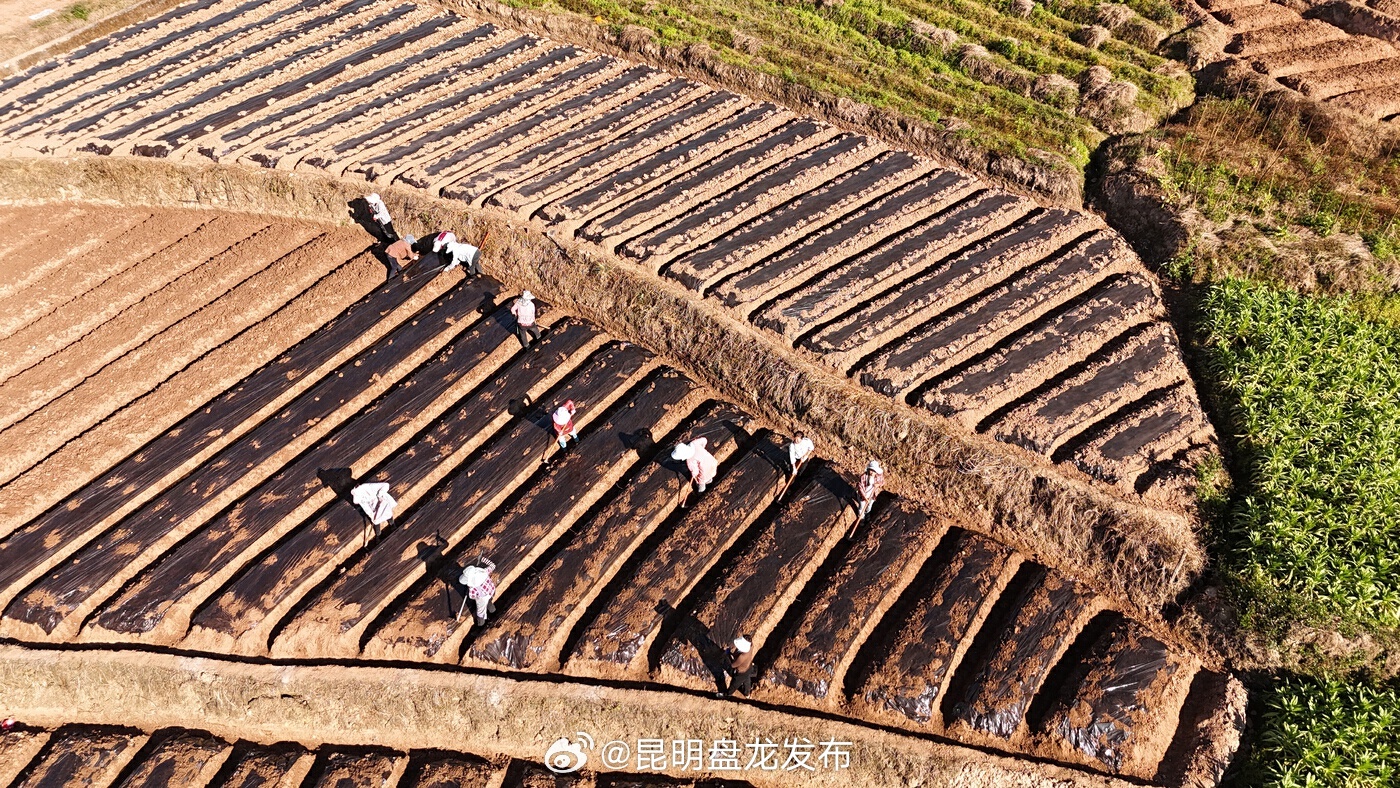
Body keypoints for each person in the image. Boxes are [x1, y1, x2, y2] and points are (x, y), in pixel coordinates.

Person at [671, 437, 718, 508]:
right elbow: (704, 440)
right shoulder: (694, 443)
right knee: (709, 476)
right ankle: (710, 482)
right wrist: (702, 448)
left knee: (701, 486)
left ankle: (701, 495)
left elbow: (696, 471)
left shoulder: (690, 461)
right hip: (712, 463)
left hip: (704, 473)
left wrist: (694, 475)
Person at [458, 558, 497, 626]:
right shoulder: (484, 572)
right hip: (491, 591)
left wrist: (468, 590)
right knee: (488, 602)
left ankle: (481, 624)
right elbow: (492, 565)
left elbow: (472, 596)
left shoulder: (474, 587)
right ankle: (493, 612)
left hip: (482, 598)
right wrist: (483, 559)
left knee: (480, 612)